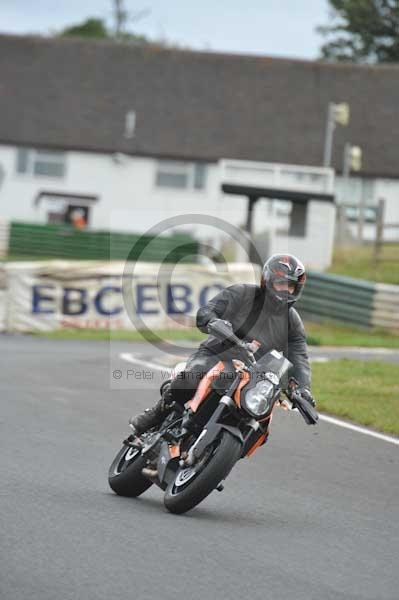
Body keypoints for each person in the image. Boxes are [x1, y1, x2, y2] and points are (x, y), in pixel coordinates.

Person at [130, 253, 315, 435]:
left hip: (255, 375)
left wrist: (303, 389)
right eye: (281, 283)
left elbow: (299, 356)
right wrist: (213, 321)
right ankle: (157, 413)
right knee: (193, 376)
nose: (285, 290)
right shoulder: (242, 294)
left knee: (262, 425)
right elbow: (207, 311)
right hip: (217, 354)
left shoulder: (292, 321)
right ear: (267, 280)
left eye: (290, 286)